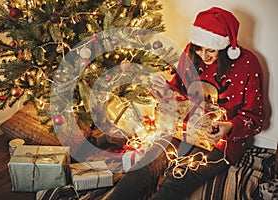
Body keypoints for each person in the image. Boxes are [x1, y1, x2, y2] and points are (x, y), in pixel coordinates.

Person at [103, 7, 265, 200]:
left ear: (225, 48)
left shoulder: (247, 64)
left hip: (220, 142)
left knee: (175, 181)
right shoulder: (190, 53)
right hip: (181, 130)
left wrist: (228, 127)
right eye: (199, 48)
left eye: (210, 50)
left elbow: (255, 118)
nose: (203, 56)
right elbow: (177, 94)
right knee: (142, 168)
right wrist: (163, 89)